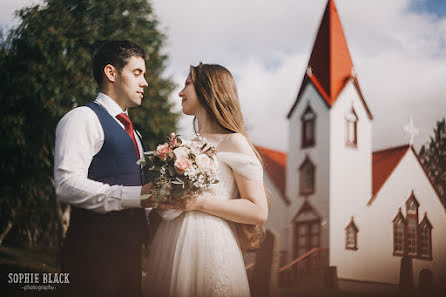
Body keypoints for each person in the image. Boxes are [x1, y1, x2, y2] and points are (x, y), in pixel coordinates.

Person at [144, 63, 269, 297]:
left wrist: (199, 203)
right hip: (170, 241)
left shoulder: (234, 142)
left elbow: (258, 210)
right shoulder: (183, 146)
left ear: (208, 89)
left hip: (209, 245)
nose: (181, 92)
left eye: (187, 84)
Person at [54, 40, 155, 297]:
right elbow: (66, 186)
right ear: (111, 73)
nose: (145, 83)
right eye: (137, 73)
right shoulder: (82, 118)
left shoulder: (136, 134)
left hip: (130, 259)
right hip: (92, 259)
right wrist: (138, 196)